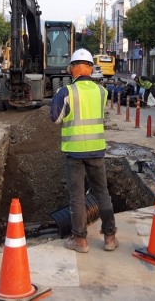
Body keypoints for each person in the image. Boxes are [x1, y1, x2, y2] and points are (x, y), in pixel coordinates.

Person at [49, 48, 117, 253]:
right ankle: (110, 237)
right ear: (90, 68)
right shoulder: (102, 91)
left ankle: (80, 240)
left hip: (75, 152)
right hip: (97, 150)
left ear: (73, 69)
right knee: (102, 192)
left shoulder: (67, 92)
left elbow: (55, 118)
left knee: (77, 196)